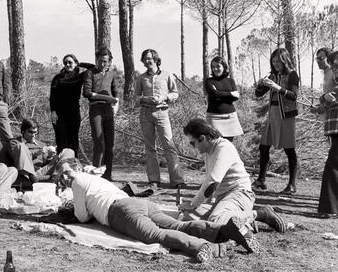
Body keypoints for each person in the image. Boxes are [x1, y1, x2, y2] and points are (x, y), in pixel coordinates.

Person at [58, 148, 259, 264]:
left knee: (156, 235)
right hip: (139, 204)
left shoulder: (78, 181)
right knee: (176, 225)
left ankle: (201, 246)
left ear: (76, 168)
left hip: (120, 211)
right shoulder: (96, 179)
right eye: (62, 175)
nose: (65, 177)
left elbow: (82, 217)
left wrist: (74, 206)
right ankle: (226, 230)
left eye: (67, 172)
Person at [180, 118, 286, 233]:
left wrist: (193, 203)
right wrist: (196, 207)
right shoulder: (209, 151)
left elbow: (213, 182)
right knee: (188, 216)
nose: (193, 147)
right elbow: (211, 186)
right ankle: (243, 223)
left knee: (216, 221)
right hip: (223, 199)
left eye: (192, 143)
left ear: (203, 138)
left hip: (239, 194)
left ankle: (260, 214)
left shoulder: (223, 148)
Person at [134, 49, 185, 189]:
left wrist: (164, 97)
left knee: (169, 145)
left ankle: (177, 180)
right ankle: (154, 180)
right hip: (145, 114)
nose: (147, 61)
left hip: (162, 113)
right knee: (150, 147)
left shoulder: (167, 75)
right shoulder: (141, 78)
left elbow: (175, 93)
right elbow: (136, 97)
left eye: (149, 58)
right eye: (145, 59)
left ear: (156, 59)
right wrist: (145, 98)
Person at [252, 48, 299, 194]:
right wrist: (260, 84)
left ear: (285, 60)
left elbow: (294, 95)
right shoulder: (272, 75)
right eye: (273, 61)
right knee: (264, 146)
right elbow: (258, 94)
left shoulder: (292, 74)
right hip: (272, 113)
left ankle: (291, 185)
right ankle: (261, 181)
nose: (276, 63)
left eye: (278, 61)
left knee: (289, 149)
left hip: (286, 114)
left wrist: (278, 87)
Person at [82, 48, 119, 181]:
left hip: (109, 110)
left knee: (110, 145)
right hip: (96, 110)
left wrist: (116, 104)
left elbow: (115, 92)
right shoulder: (90, 73)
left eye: (105, 61)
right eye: (100, 61)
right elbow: (86, 93)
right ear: (96, 60)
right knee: (99, 143)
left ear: (109, 62)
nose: (103, 64)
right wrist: (103, 97)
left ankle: (107, 176)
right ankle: (96, 175)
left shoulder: (111, 73)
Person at [50, 54, 94, 156]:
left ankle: (74, 163)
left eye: (70, 62)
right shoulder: (58, 78)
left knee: (73, 139)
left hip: (74, 113)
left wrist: (81, 63)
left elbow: (94, 68)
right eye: (65, 63)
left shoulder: (80, 77)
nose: (67, 64)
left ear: (75, 63)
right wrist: (53, 111)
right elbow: (53, 96)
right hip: (59, 114)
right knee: (61, 140)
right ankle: (61, 164)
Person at [8, 118, 60, 185]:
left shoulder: (41, 145)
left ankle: (60, 180)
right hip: (25, 173)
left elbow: (46, 164)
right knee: (21, 146)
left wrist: (50, 157)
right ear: (23, 131)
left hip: (41, 171)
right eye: (30, 132)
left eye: (35, 132)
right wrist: (36, 154)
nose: (33, 135)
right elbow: (16, 158)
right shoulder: (14, 142)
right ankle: (31, 175)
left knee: (66, 152)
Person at [318, 50, 338, 218]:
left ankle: (330, 207)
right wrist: (325, 97)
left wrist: (325, 97)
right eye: (334, 67)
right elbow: (325, 99)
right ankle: (330, 207)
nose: (336, 70)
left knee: (333, 164)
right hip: (334, 126)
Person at [204, 56, 243, 142]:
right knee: (215, 143)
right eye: (213, 67)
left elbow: (235, 98)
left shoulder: (230, 81)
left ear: (224, 67)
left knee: (228, 145)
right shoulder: (209, 81)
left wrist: (220, 94)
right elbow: (213, 94)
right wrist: (230, 94)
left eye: (218, 66)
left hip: (230, 117)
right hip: (214, 117)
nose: (215, 69)